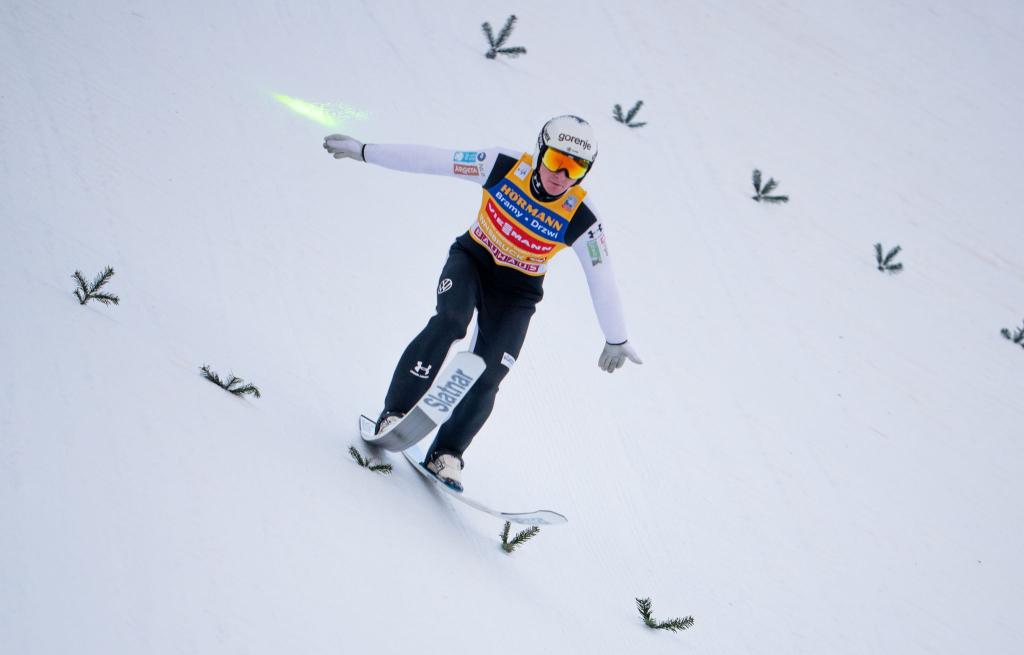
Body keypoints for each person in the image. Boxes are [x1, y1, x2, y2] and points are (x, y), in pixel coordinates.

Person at [324, 115, 641, 492]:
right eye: (556, 160)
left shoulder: (583, 218)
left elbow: (601, 276)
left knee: (491, 371)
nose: (561, 174)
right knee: (451, 321)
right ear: (541, 151)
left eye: (575, 168)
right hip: (472, 261)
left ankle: (447, 453)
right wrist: (365, 152)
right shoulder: (502, 166)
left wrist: (616, 337)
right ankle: (394, 414)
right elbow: (433, 160)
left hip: (518, 294)